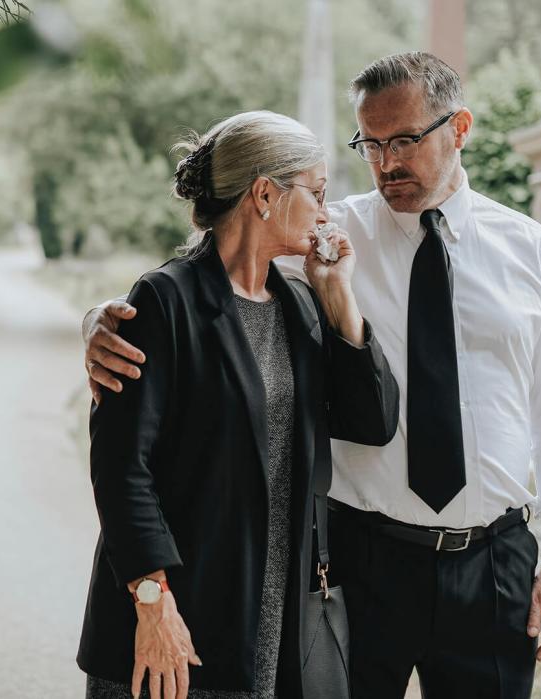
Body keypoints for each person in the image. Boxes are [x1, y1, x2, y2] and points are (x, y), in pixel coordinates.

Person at [82, 53, 541, 699]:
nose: (386, 163)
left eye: (405, 140)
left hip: (492, 562)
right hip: (360, 559)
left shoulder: (525, 247)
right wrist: (103, 319)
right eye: (372, 144)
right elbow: (205, 273)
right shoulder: (325, 236)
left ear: (459, 127)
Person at [77, 110, 399, 699]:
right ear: (265, 194)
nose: (327, 212)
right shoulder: (164, 300)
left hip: (270, 629)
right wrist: (154, 605)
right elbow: (123, 470)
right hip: (171, 624)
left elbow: (372, 422)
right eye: (318, 192)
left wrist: (338, 296)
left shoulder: (299, 305)